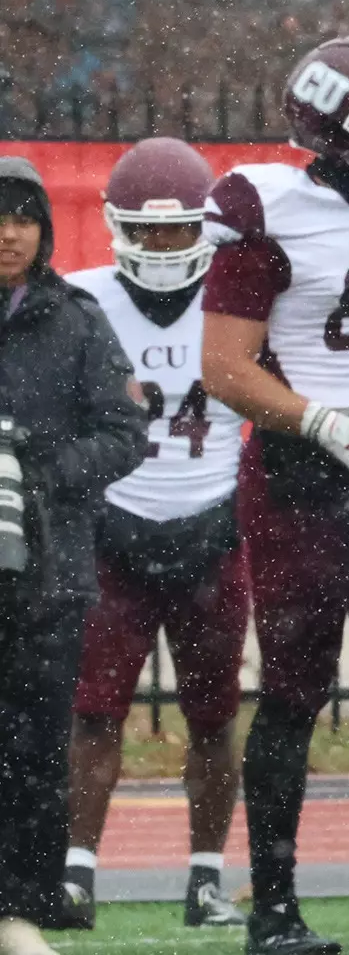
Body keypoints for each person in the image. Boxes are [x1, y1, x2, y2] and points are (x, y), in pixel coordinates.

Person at [201, 36, 349, 955]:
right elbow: (223, 367)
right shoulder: (271, 209)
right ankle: (274, 910)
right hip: (302, 476)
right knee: (293, 693)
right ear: (332, 125)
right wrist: (325, 421)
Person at [59, 139, 249, 932]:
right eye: (146, 230)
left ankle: (206, 878)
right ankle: (73, 874)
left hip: (215, 521)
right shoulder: (79, 300)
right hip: (112, 528)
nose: (163, 245)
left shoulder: (242, 297)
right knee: (93, 713)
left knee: (214, 714)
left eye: (176, 231)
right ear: (114, 227)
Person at [0, 155, 146, 955]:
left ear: (45, 230)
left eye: (24, 218)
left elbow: (125, 435)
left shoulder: (77, 319)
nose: (10, 234)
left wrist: (46, 471)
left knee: (34, 750)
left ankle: (23, 905)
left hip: (49, 575)